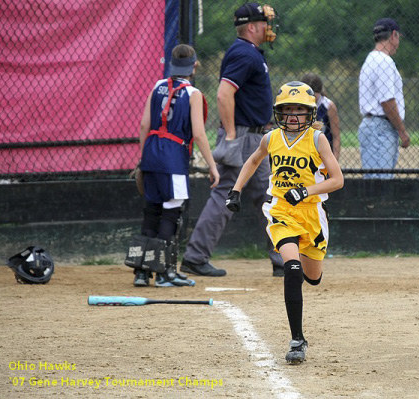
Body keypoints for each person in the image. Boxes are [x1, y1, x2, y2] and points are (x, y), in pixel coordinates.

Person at [226, 81, 344, 364]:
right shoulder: (271, 138)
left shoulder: (317, 140)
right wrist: (236, 190)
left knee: (312, 278)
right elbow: (253, 161)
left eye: (299, 110)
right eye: (287, 110)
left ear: (310, 113)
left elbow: (337, 180)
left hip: (312, 214)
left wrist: (306, 190)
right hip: (281, 211)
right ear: (278, 112)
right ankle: (297, 339)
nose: (293, 116)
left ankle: (305, 267)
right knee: (291, 268)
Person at [180, 2, 285, 278]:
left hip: (255, 137)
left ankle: (282, 259)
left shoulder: (249, 53)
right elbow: (224, 94)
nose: (267, 28)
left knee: (268, 196)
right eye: (263, 23)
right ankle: (195, 256)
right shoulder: (244, 53)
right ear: (251, 27)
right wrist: (230, 134)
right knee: (228, 194)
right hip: (243, 136)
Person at [125, 44, 219, 287]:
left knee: (151, 212)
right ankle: (165, 273)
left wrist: (143, 158)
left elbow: (145, 125)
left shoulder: (157, 86)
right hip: (173, 157)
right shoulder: (193, 93)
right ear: (194, 65)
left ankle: (141, 272)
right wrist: (212, 166)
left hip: (152, 153)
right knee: (171, 213)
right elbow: (198, 133)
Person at [358, 18, 410, 179]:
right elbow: (387, 101)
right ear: (394, 35)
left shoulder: (371, 59)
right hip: (380, 128)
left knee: (377, 181)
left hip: (374, 127)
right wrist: (402, 131)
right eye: (398, 37)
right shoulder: (384, 61)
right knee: (380, 184)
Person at [301, 73, 341, 161]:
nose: (311, 99)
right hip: (302, 153)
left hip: (323, 154)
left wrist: (334, 161)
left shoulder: (328, 105)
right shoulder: (298, 106)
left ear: (319, 92)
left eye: (314, 96)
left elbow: (336, 136)